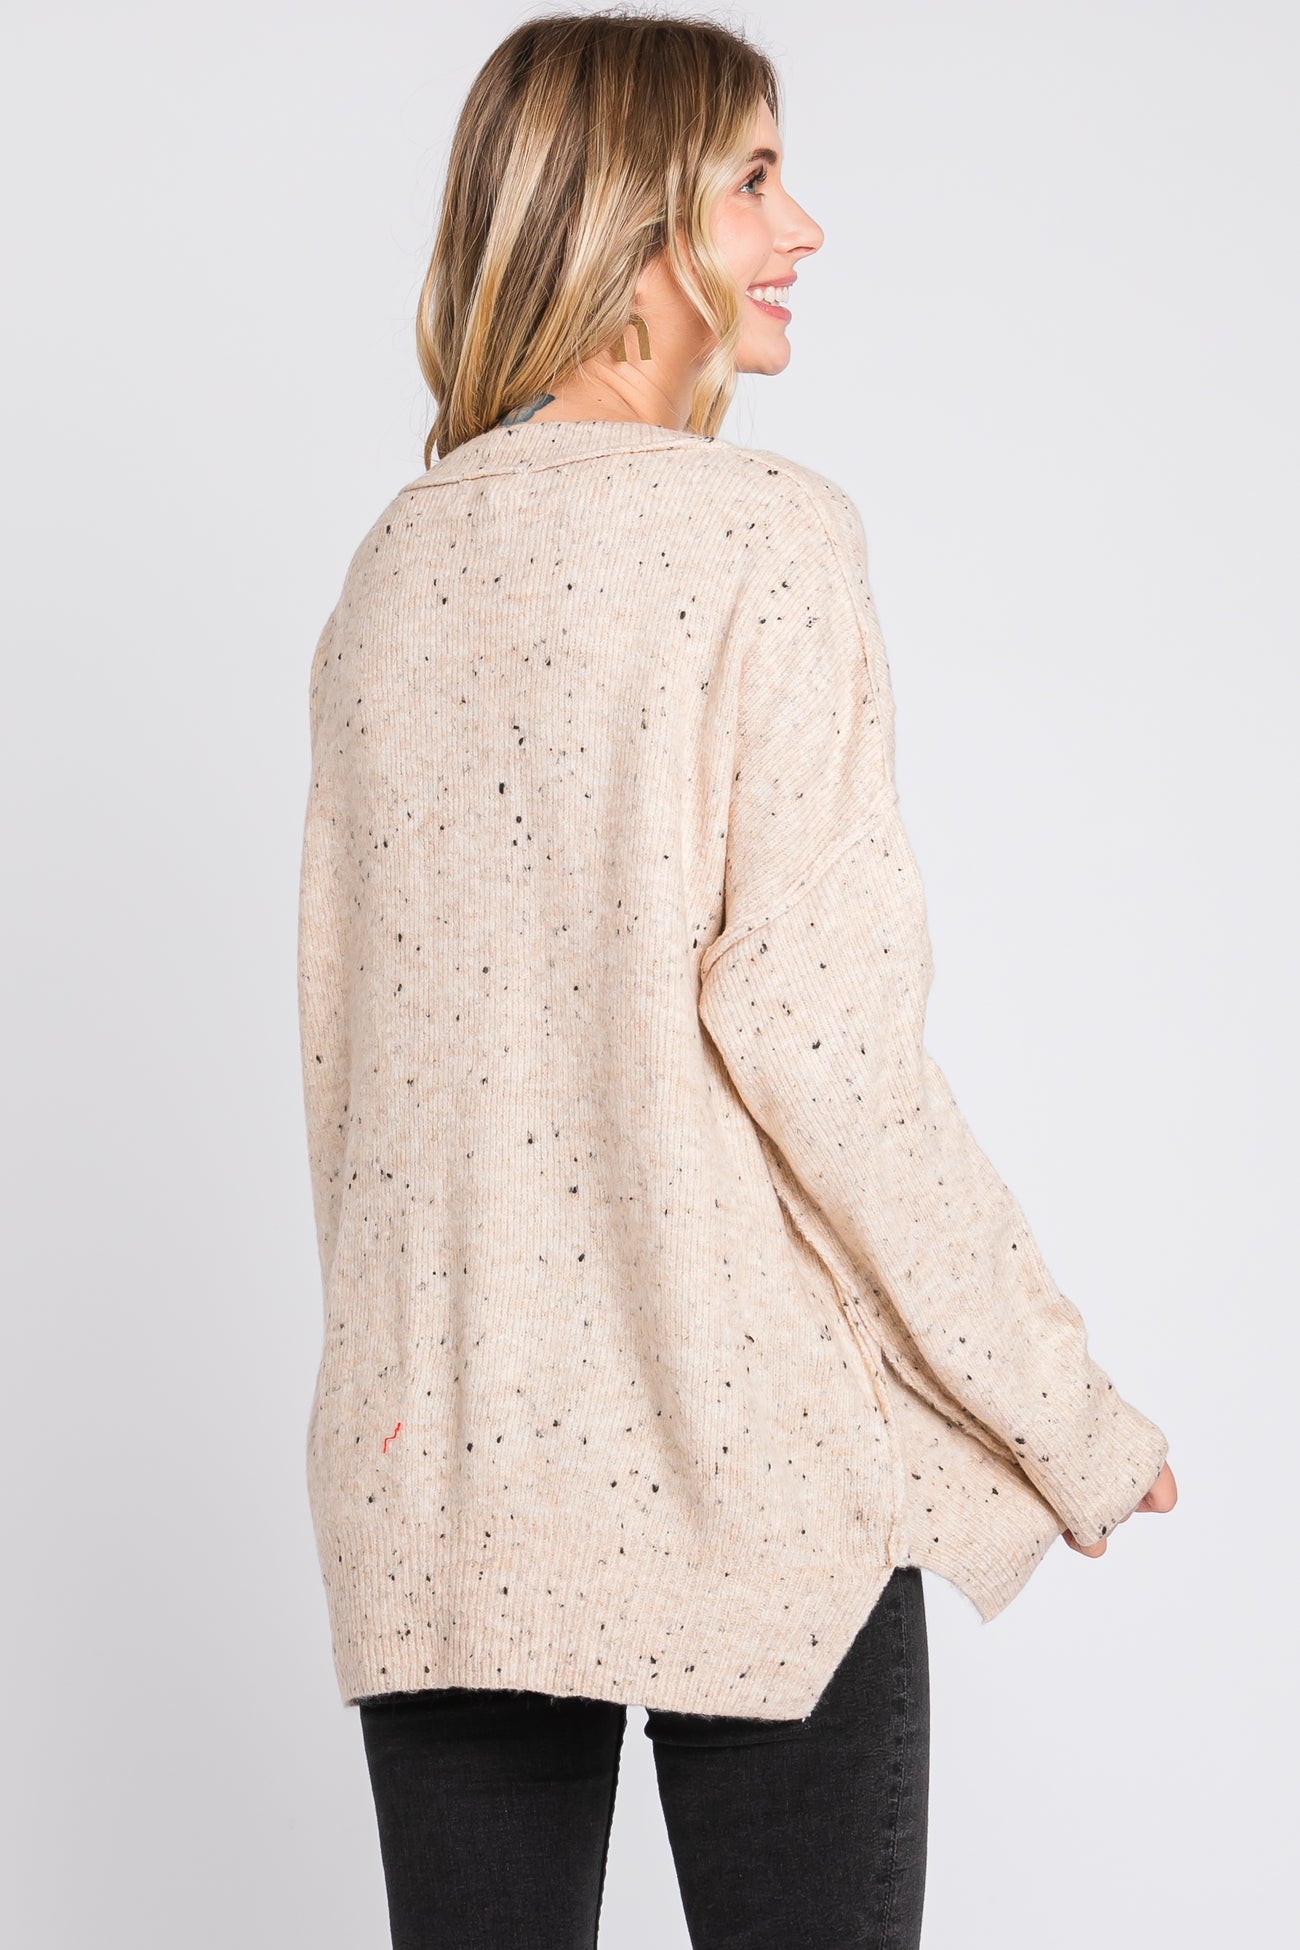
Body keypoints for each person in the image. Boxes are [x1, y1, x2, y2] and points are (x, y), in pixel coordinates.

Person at [295, 12, 1177, 1947]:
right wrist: (1063, 1411)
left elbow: (357, 1082)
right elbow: (823, 1042)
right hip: (753, 1464)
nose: (806, 229)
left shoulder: (390, 574)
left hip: (441, 1481)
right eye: (755, 180)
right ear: (630, 223)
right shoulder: (769, 538)